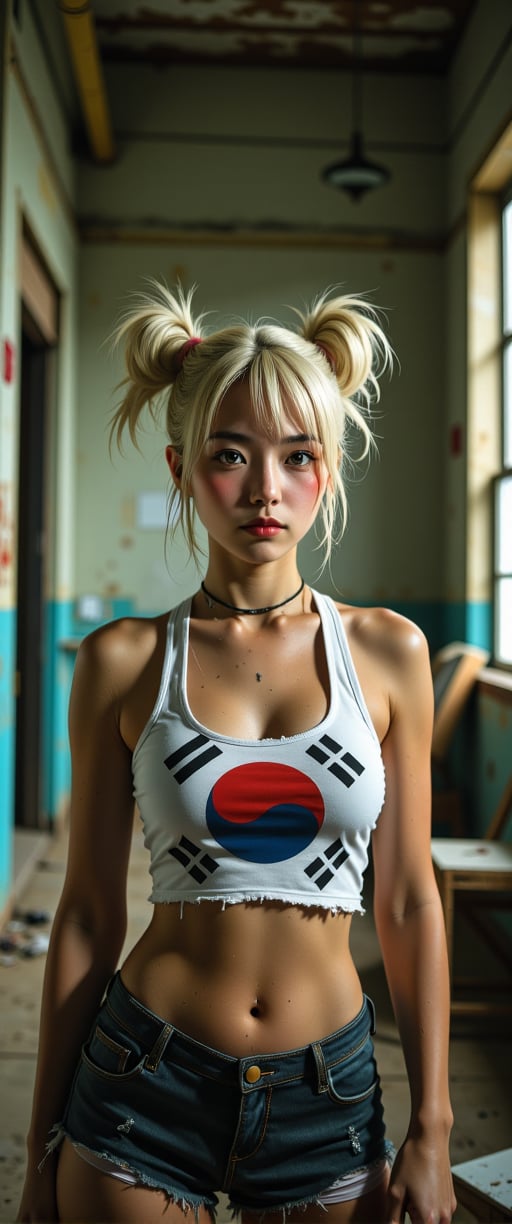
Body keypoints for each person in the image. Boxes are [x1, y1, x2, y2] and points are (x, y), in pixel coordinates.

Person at [18, 284, 456, 1224]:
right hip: (142, 1077)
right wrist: (36, 1142)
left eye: (298, 457)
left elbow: (411, 898)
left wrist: (434, 1125)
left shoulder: (388, 654)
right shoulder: (123, 662)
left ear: (327, 475)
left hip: (326, 1093)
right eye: (230, 456)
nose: (266, 488)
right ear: (181, 469)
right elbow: (90, 913)